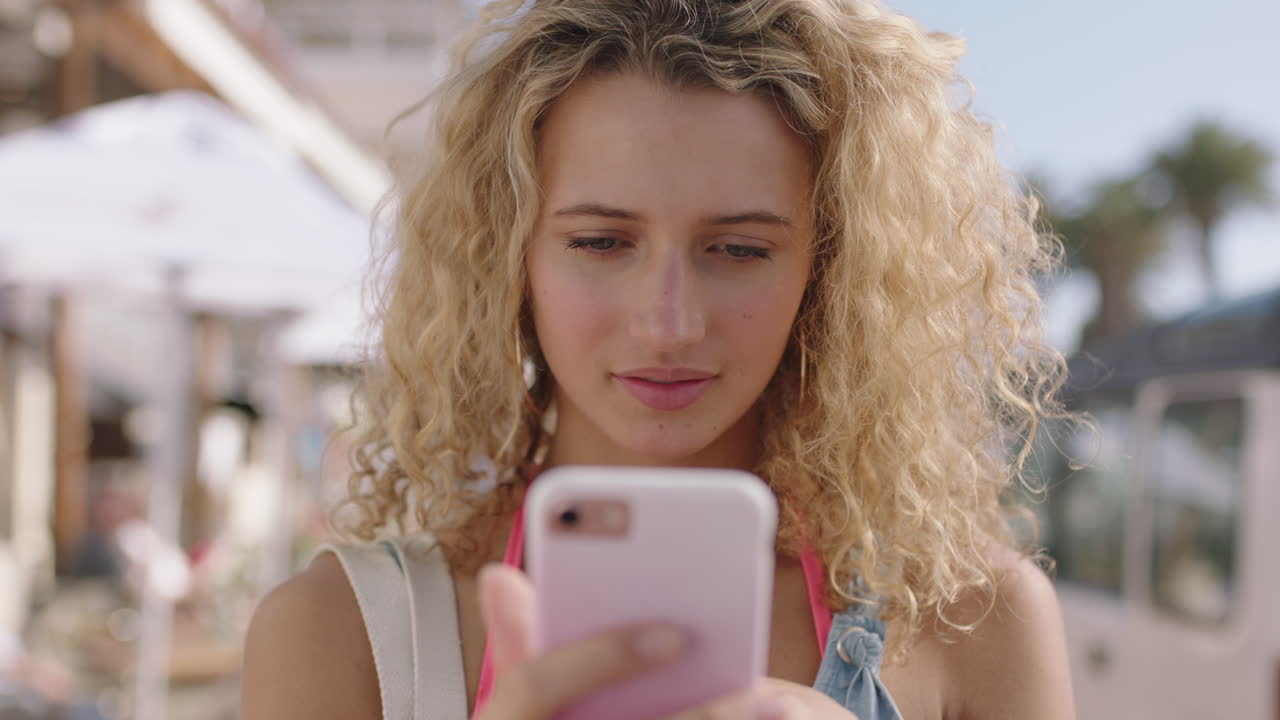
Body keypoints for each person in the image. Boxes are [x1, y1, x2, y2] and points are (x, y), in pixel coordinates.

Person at [239, 1, 1077, 718]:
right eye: (601, 241)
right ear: (506, 258)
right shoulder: (338, 635)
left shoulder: (978, 625)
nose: (669, 322)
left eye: (740, 250)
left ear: (828, 273)